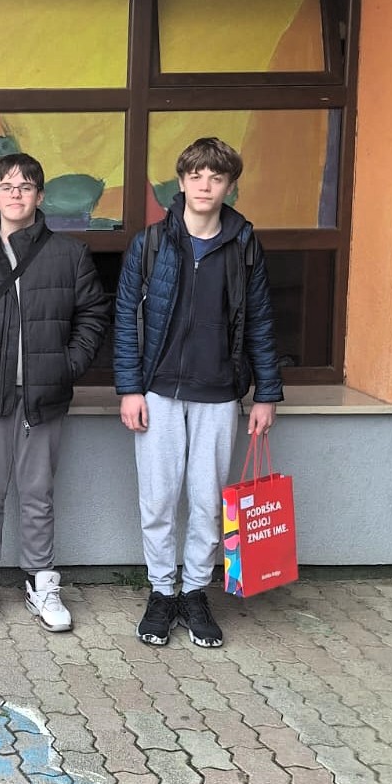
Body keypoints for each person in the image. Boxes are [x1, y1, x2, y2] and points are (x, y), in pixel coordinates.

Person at [113, 136, 282, 649]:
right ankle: (162, 591)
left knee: (207, 503)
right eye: (196, 176)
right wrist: (130, 388)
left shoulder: (244, 244)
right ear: (182, 181)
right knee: (158, 500)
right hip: (158, 391)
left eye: (216, 177)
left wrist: (266, 394)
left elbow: (260, 322)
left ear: (229, 185)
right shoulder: (151, 243)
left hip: (218, 392)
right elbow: (126, 319)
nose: (205, 185)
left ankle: (194, 593)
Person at [0, 153, 109, 634]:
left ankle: (40, 582)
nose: (16, 194)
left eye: (26, 187)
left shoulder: (69, 254)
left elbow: (93, 315)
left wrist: (67, 366)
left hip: (43, 394)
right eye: (7, 187)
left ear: (40, 196)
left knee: (37, 494)